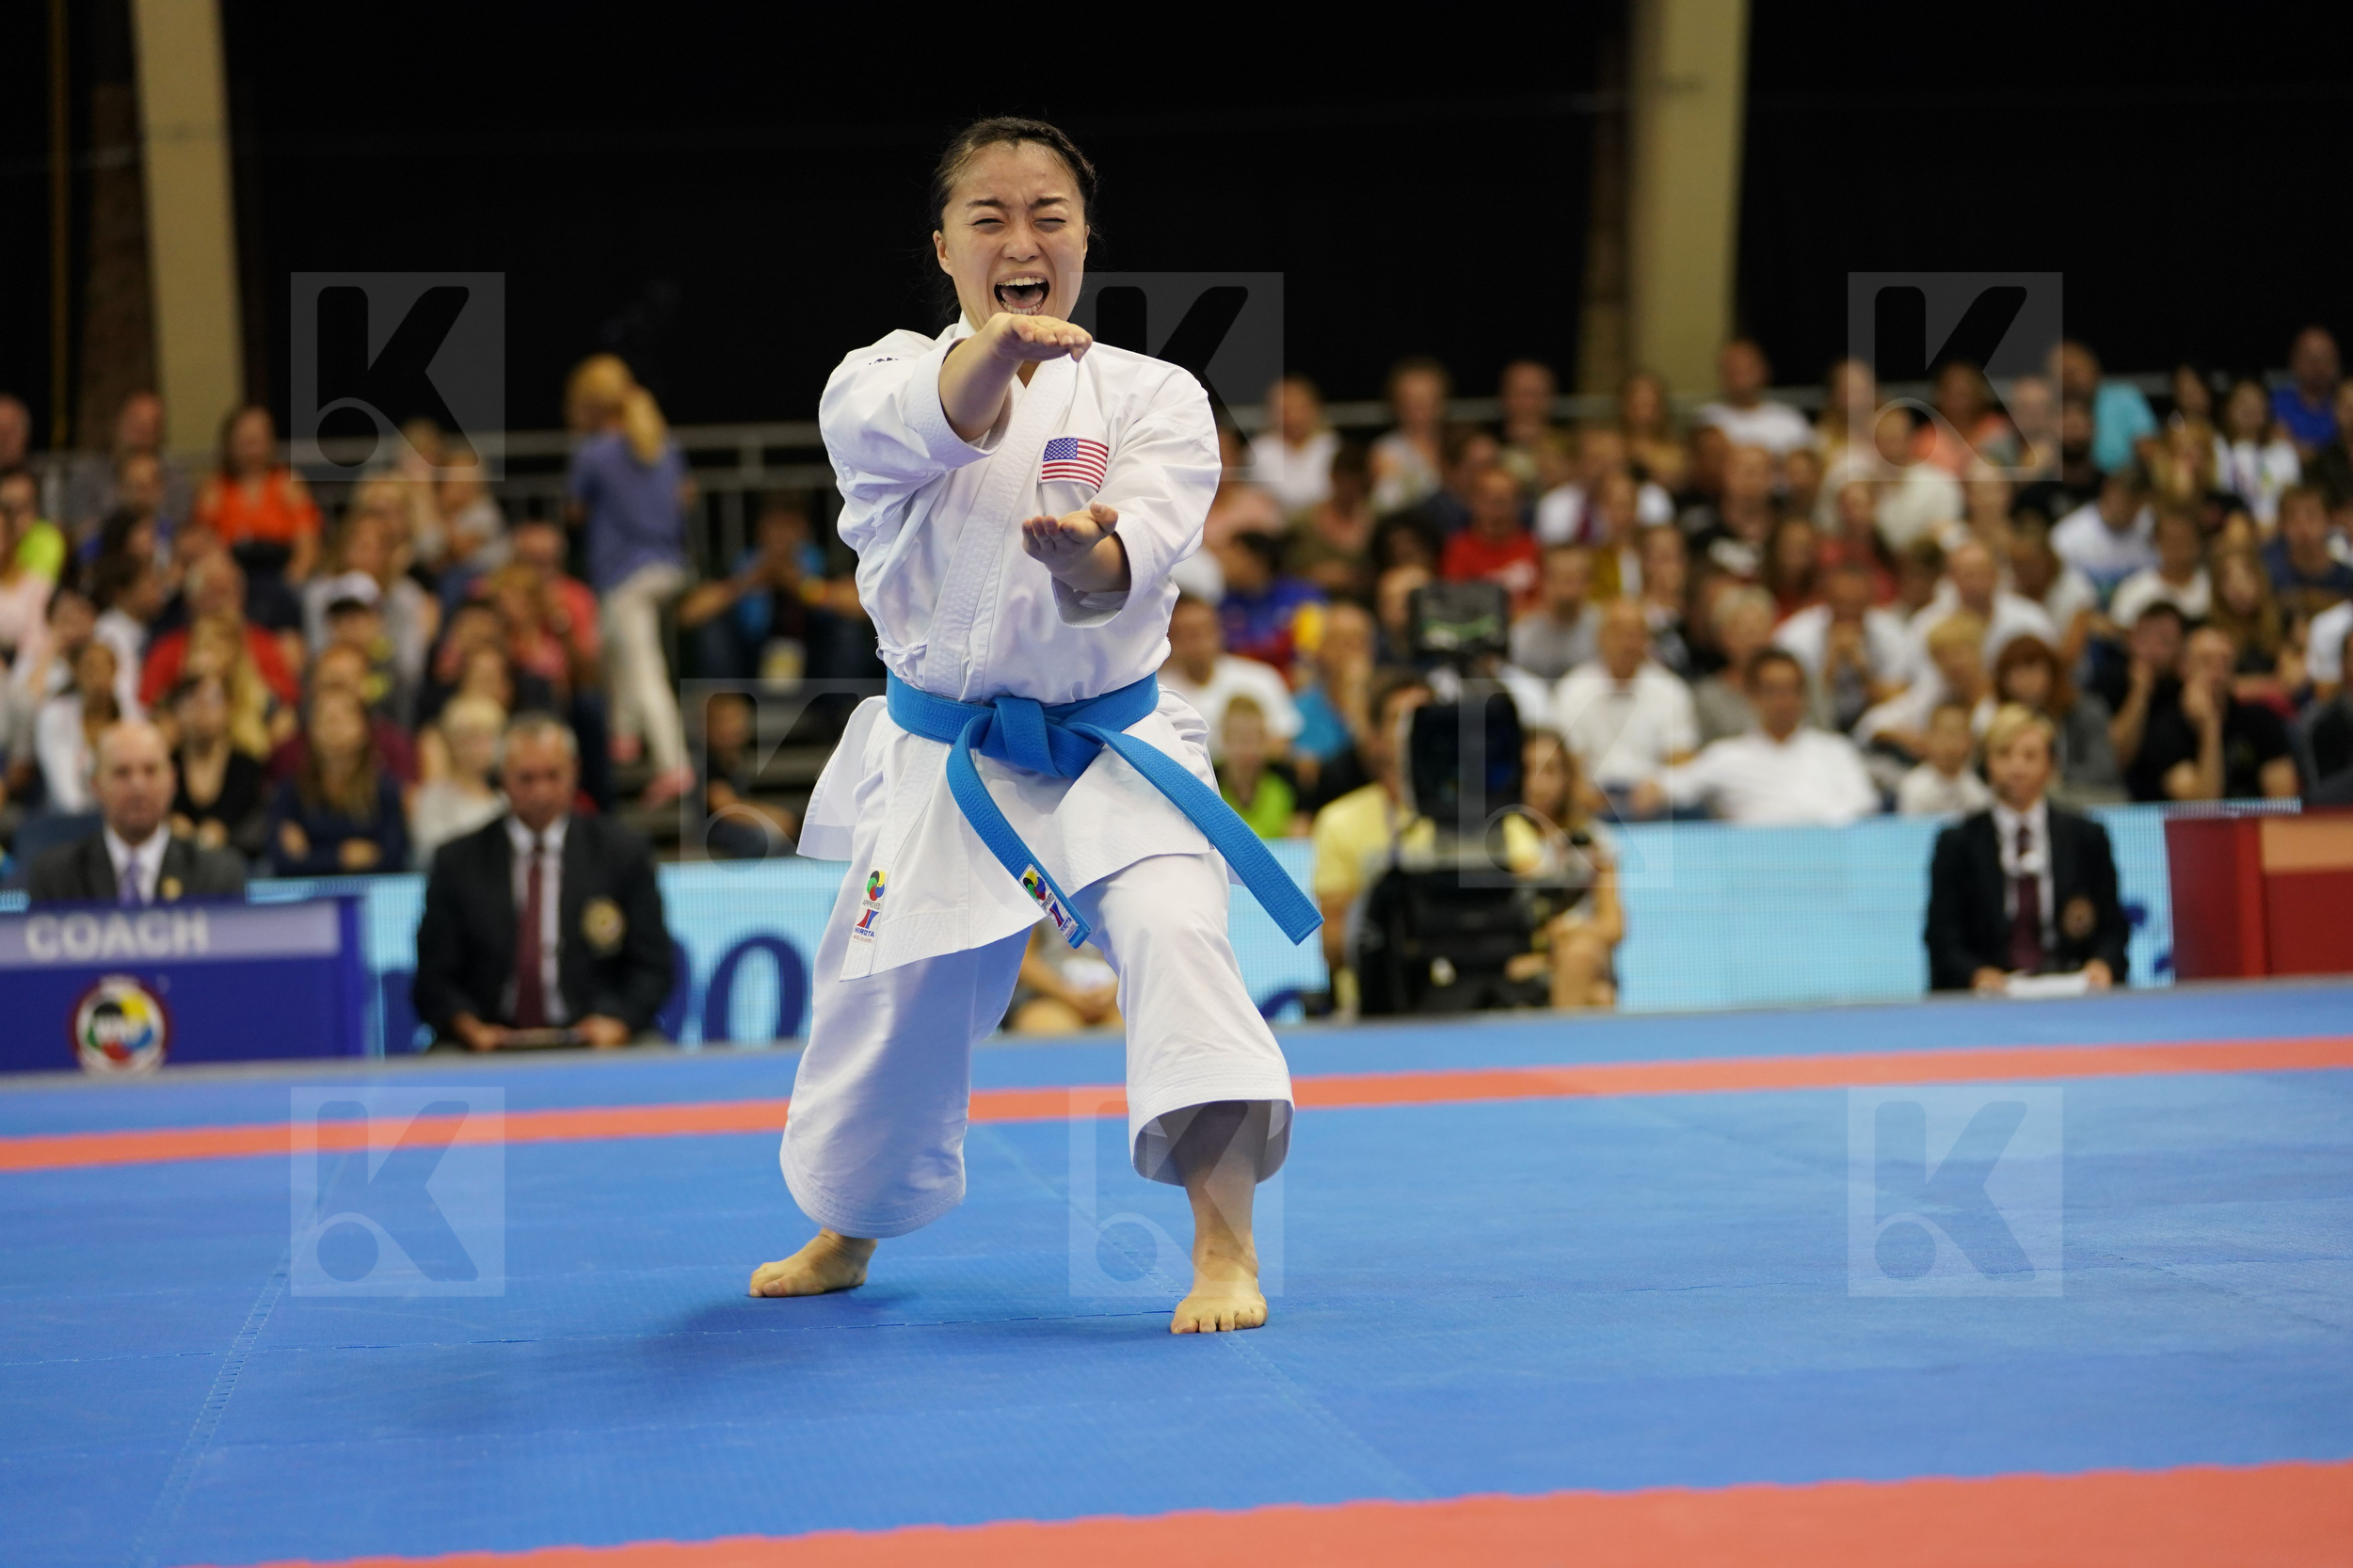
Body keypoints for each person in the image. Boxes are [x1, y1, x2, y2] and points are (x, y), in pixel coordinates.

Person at [750, 119, 1318, 1336]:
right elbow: (930, 421)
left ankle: (1225, 1248)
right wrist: (993, 358)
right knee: (884, 998)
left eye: (1049, 214)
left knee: (1179, 936)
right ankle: (849, 1225)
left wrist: (1090, 555)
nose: (1023, 238)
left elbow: (1146, 547)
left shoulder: (1157, 394)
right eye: (992, 217)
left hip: (1112, 740)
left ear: (1085, 237)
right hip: (945, 750)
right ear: (944, 246)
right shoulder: (877, 378)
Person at [413, 712, 675, 1048]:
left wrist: (618, 1020)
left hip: (597, 1034)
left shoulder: (622, 854)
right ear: (502, 778)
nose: (541, 792)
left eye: (553, 776)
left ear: (575, 772)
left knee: (657, 1067)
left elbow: (653, 967)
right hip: (486, 1039)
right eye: (526, 779)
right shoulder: (458, 862)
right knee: (437, 1077)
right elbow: (433, 978)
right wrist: (468, 1026)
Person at [565, 354, 696, 808]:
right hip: (665, 562)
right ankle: (624, 737)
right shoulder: (664, 444)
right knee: (615, 644)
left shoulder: (594, 453)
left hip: (626, 569)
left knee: (643, 668)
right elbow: (683, 499)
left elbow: (575, 511)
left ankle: (674, 763)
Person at [1925, 704, 2128, 993]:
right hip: (1987, 996)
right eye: (2004, 754)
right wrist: (1976, 974)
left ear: (2051, 765)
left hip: (2070, 987)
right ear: (1987, 763)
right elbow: (1942, 937)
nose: (2017, 767)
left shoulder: (2086, 836)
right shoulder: (1957, 843)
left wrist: (2102, 964)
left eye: (2030, 756)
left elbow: (2113, 927)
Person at [1308, 668, 1433, 1002]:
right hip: (1379, 1001)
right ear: (1375, 737)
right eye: (1398, 719)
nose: (1411, 730)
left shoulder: (1480, 815)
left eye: (1422, 717)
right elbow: (1333, 947)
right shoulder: (1339, 821)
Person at [25, 719, 247, 904]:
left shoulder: (217, 876)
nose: (138, 787)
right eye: (122, 773)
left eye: (150, 771)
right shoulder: (56, 878)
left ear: (172, 781)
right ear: (96, 786)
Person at [1662, 648, 1880, 824]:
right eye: (1773, 691)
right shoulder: (1726, 756)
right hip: (1754, 867)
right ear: (1752, 696)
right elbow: (1673, 786)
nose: (1784, 701)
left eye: (1792, 690)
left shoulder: (1836, 750)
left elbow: (1863, 804)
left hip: (1827, 860)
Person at [1510, 726, 1623, 1010]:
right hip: (1523, 955)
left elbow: (1614, 926)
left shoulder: (1595, 839)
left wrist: (1568, 933)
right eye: (1528, 770)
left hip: (1584, 951)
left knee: (1580, 955)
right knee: (1597, 997)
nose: (1539, 783)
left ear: (1568, 777)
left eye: (1550, 771)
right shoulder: (1500, 840)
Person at [2120, 624, 2297, 803]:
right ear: (2184, 667)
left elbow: (2284, 803)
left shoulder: (2261, 720)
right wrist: (2210, 727)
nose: (2218, 672)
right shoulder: (2163, 729)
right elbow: (2202, 808)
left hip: (2253, 826)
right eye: (2206, 662)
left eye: (2225, 662)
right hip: (2187, 830)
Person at [1552, 599, 1695, 819]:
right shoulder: (1572, 690)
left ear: (1647, 641)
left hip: (1653, 799)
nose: (1627, 643)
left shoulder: (1671, 690)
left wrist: (1661, 787)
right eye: (1618, 633)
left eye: (1636, 634)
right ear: (1600, 638)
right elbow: (1569, 762)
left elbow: (1682, 760)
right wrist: (1585, 794)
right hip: (1593, 800)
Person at [264, 688, 409, 875]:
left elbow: (393, 858)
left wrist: (310, 856)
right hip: (309, 900)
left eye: (345, 714)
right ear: (310, 730)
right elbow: (282, 862)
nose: (334, 722)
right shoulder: (291, 791)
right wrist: (342, 857)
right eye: (324, 716)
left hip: (372, 897)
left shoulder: (384, 790)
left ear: (365, 728)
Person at [1158, 593, 1300, 761]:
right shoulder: (1158, 693)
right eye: (1188, 635)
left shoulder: (1260, 678)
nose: (1198, 643)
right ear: (1170, 639)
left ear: (1219, 632)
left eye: (1204, 631)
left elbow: (1282, 741)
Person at [192, 406, 321, 584]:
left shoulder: (288, 483)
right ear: (229, 444)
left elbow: (308, 544)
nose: (251, 449)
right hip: (231, 578)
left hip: (281, 576)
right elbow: (203, 545)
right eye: (245, 441)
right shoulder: (214, 489)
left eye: (257, 440)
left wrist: (291, 580)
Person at [1991, 634, 2120, 805]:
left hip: (2082, 799)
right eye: (2015, 672)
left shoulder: (2086, 711)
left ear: (2052, 672)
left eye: (2032, 669)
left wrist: (2049, 776)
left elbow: (2103, 769)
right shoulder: (1995, 718)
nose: (2025, 680)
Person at [167, 673, 267, 857]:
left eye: (212, 701)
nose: (202, 709)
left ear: (229, 708)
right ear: (176, 710)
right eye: (192, 701)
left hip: (240, 861)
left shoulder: (247, 766)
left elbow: (257, 826)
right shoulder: (164, 765)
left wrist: (220, 834)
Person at [408, 695, 508, 868]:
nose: (481, 747)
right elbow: (431, 854)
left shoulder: (505, 799)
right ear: (452, 743)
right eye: (472, 738)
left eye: (490, 737)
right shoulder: (433, 799)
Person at [35, 641, 123, 814]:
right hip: (71, 819)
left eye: (105, 668)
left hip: (122, 816)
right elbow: (66, 792)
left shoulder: (132, 718)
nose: (98, 676)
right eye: (90, 668)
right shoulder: (55, 716)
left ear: (115, 671)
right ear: (76, 672)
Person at [1440, 467, 1542, 614]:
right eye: (1489, 500)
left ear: (1519, 503)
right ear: (1473, 502)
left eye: (1504, 500)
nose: (1497, 509)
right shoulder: (1458, 549)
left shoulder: (1534, 547)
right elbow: (1454, 604)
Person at [2051, 463, 2155, 601]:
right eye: (2124, 497)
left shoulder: (2151, 527)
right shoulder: (2068, 536)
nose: (2127, 507)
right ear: (2107, 489)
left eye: (2136, 501)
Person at [1694, 339, 1814, 456]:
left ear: (1764, 370)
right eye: (1733, 370)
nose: (1740, 379)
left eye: (1747, 370)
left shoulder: (1790, 421)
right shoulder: (1707, 420)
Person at [2212, 376, 2300, 525]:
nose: (2249, 407)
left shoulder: (2282, 451)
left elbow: (2292, 500)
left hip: (2276, 528)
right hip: (2226, 529)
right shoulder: (2214, 447)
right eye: (2243, 401)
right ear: (2227, 407)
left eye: (2256, 402)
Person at [1247, 375, 1338, 518]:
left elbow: (1331, 492)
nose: (1294, 417)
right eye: (1286, 411)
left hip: (1324, 525)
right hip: (1276, 526)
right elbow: (1267, 496)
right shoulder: (1260, 450)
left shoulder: (1331, 445)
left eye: (1300, 408)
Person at [2107, 504, 2212, 628]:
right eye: (2170, 540)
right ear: (2156, 542)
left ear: (2199, 543)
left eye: (2185, 540)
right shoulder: (2134, 590)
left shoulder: (2215, 588)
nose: (2178, 548)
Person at [1508, 545, 1599, 680]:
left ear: (1589, 583)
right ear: (1542, 581)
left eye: (1577, 578)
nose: (1570, 589)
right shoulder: (1522, 637)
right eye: (1563, 578)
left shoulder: (1606, 631)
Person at [1369, 357, 1449, 513]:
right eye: (1411, 401)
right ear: (1397, 404)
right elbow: (1386, 503)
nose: (1419, 409)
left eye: (1426, 400)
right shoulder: (1386, 451)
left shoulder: (1455, 445)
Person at [1215, 695, 1298, 840]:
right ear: (1224, 739)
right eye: (1240, 739)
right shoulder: (1210, 790)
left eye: (1256, 739)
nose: (1248, 750)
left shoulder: (1283, 790)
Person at [1897, 702, 1993, 817]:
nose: (1951, 743)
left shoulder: (1980, 789)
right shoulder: (1912, 787)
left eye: (1958, 734)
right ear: (1928, 737)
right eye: (1945, 733)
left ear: (1970, 740)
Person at [2270, 327, 2342, 456]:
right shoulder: (2274, 404)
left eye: (2326, 358)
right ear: (2294, 361)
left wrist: (2298, 449)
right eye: (2311, 360)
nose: (2319, 367)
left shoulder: (2345, 403)